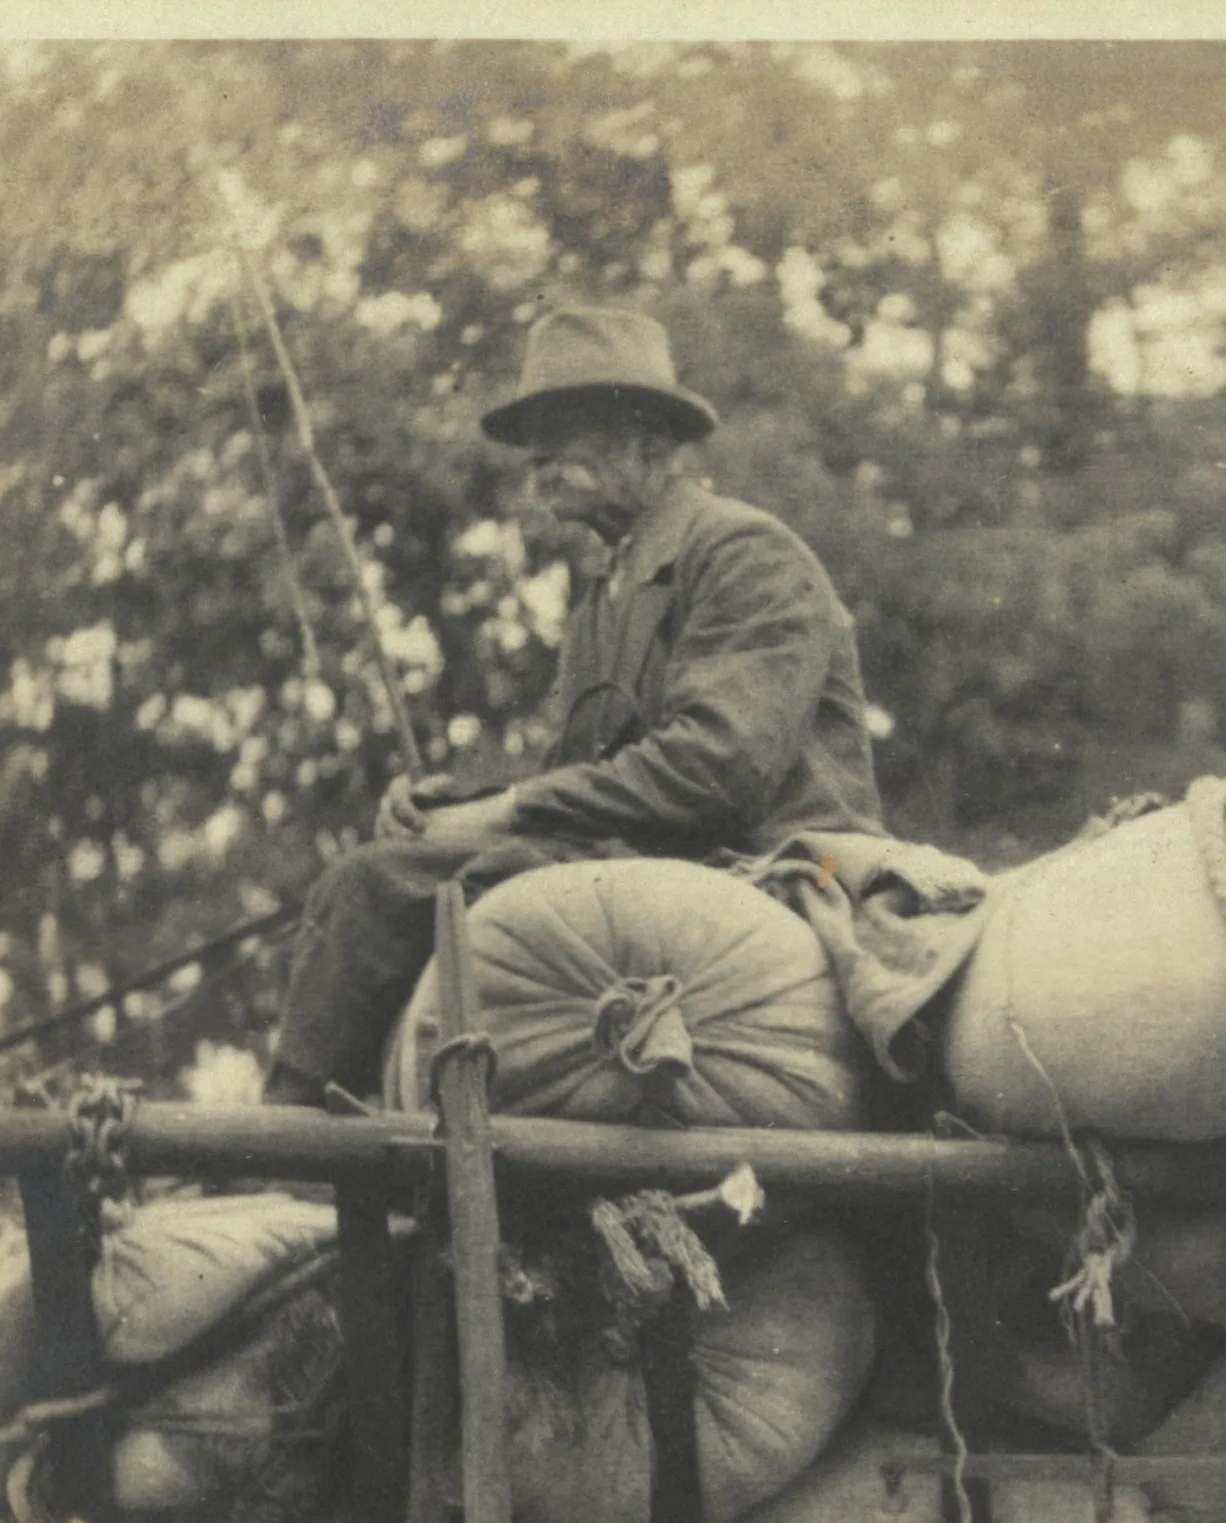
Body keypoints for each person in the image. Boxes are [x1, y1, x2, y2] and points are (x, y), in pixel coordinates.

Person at [263, 306, 885, 1105]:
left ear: (648, 442)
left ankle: (285, 1144)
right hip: (652, 864)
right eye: (533, 438)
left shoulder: (744, 554)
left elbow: (716, 770)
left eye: (565, 429)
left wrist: (504, 813)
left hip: (771, 865)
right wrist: (455, 809)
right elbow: (585, 783)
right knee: (397, 881)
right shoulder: (606, 595)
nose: (538, 458)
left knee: (378, 891)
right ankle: (363, 1134)